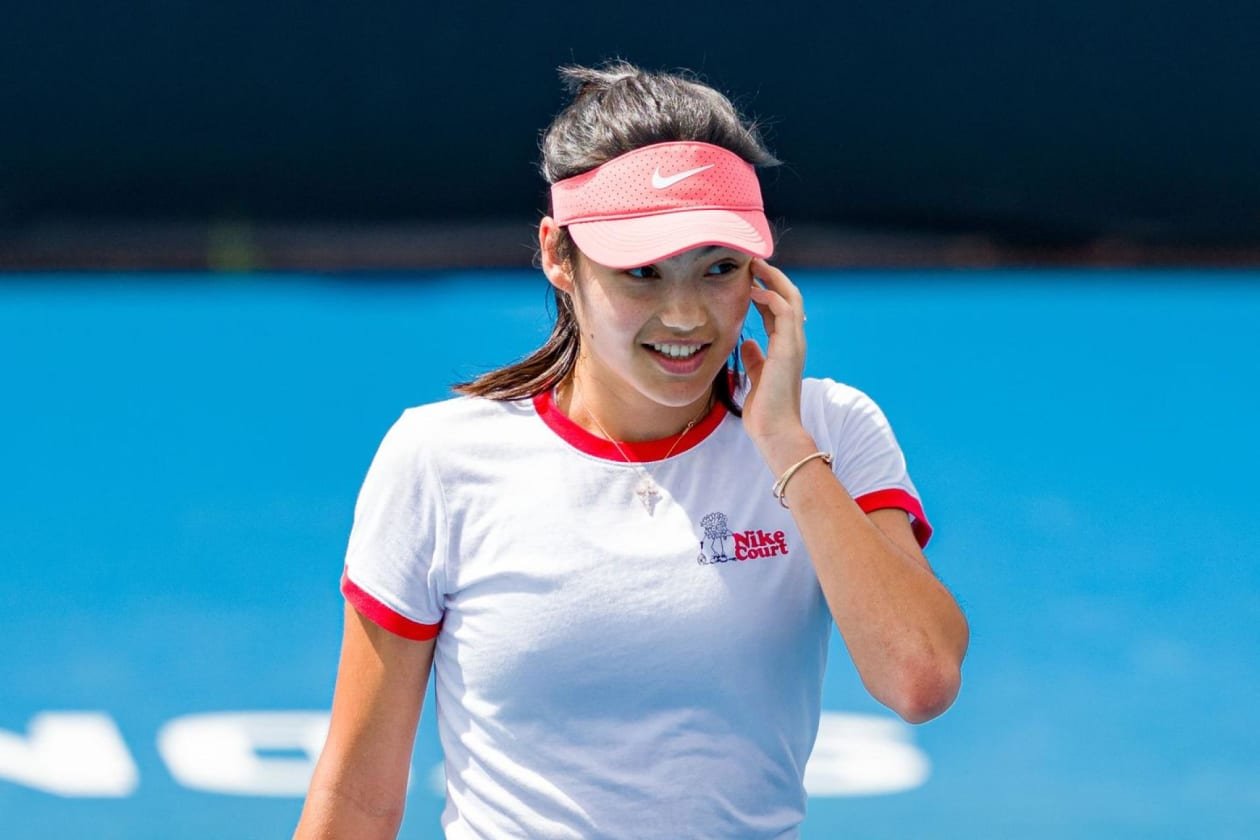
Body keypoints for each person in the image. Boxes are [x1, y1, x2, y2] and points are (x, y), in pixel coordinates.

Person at [294, 61, 968, 840]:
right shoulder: (436, 458)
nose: (685, 316)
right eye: (641, 273)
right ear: (559, 255)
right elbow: (358, 797)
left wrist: (786, 446)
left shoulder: (830, 430)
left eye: (719, 269)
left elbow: (920, 679)